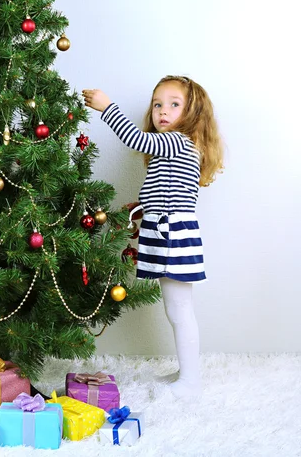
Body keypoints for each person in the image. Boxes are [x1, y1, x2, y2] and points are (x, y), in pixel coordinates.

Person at [82, 76, 223, 397]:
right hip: (166, 230)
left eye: (174, 104)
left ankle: (191, 382)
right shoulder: (175, 147)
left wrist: (106, 107)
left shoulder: (177, 141)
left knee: (179, 308)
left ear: (193, 113)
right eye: (158, 104)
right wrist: (143, 207)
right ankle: (187, 374)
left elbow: (135, 138)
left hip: (173, 234)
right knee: (176, 308)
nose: (162, 111)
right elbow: (169, 191)